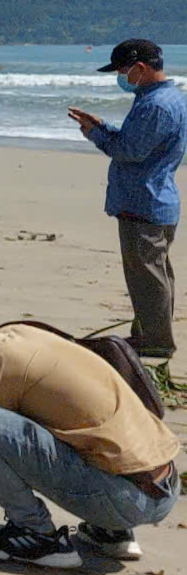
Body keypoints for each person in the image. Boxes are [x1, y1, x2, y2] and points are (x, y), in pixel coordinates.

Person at [0, 317, 179, 568]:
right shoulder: (19, 334)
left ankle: (38, 534)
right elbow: (32, 423)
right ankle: (111, 532)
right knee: (74, 422)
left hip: (124, 500)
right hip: (163, 486)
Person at [73, 38, 184, 360]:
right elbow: (136, 141)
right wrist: (102, 126)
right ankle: (148, 334)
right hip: (154, 198)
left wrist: (95, 135)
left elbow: (130, 151)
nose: (120, 77)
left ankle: (156, 341)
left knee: (147, 276)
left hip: (145, 200)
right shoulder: (160, 98)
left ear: (140, 68)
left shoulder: (157, 104)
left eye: (123, 70)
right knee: (153, 273)